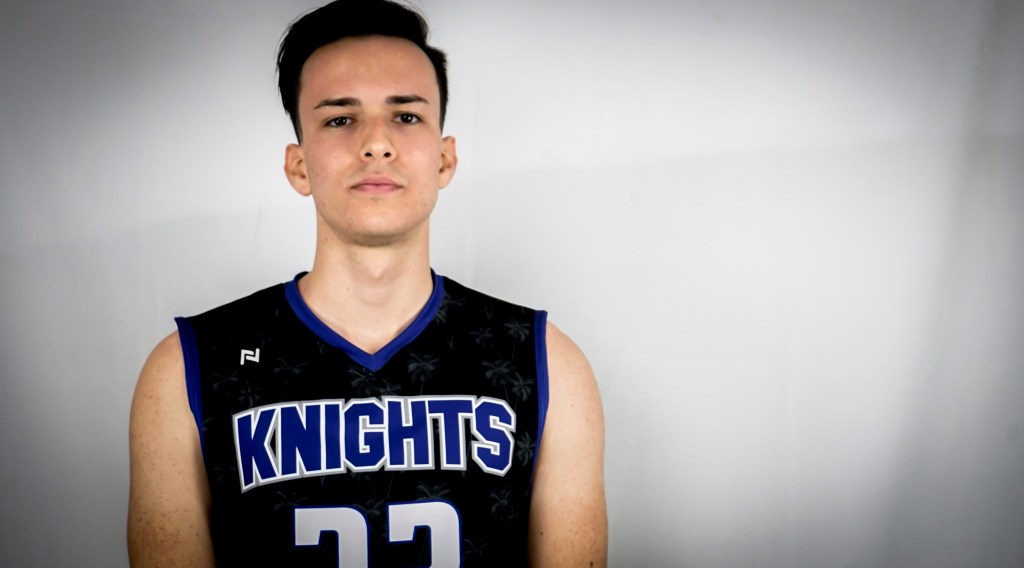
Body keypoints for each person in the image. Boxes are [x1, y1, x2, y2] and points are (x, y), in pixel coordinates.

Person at [127, 0, 606, 565]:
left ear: (444, 159)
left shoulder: (545, 362)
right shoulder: (185, 369)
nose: (376, 143)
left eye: (406, 117)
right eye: (340, 119)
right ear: (299, 165)